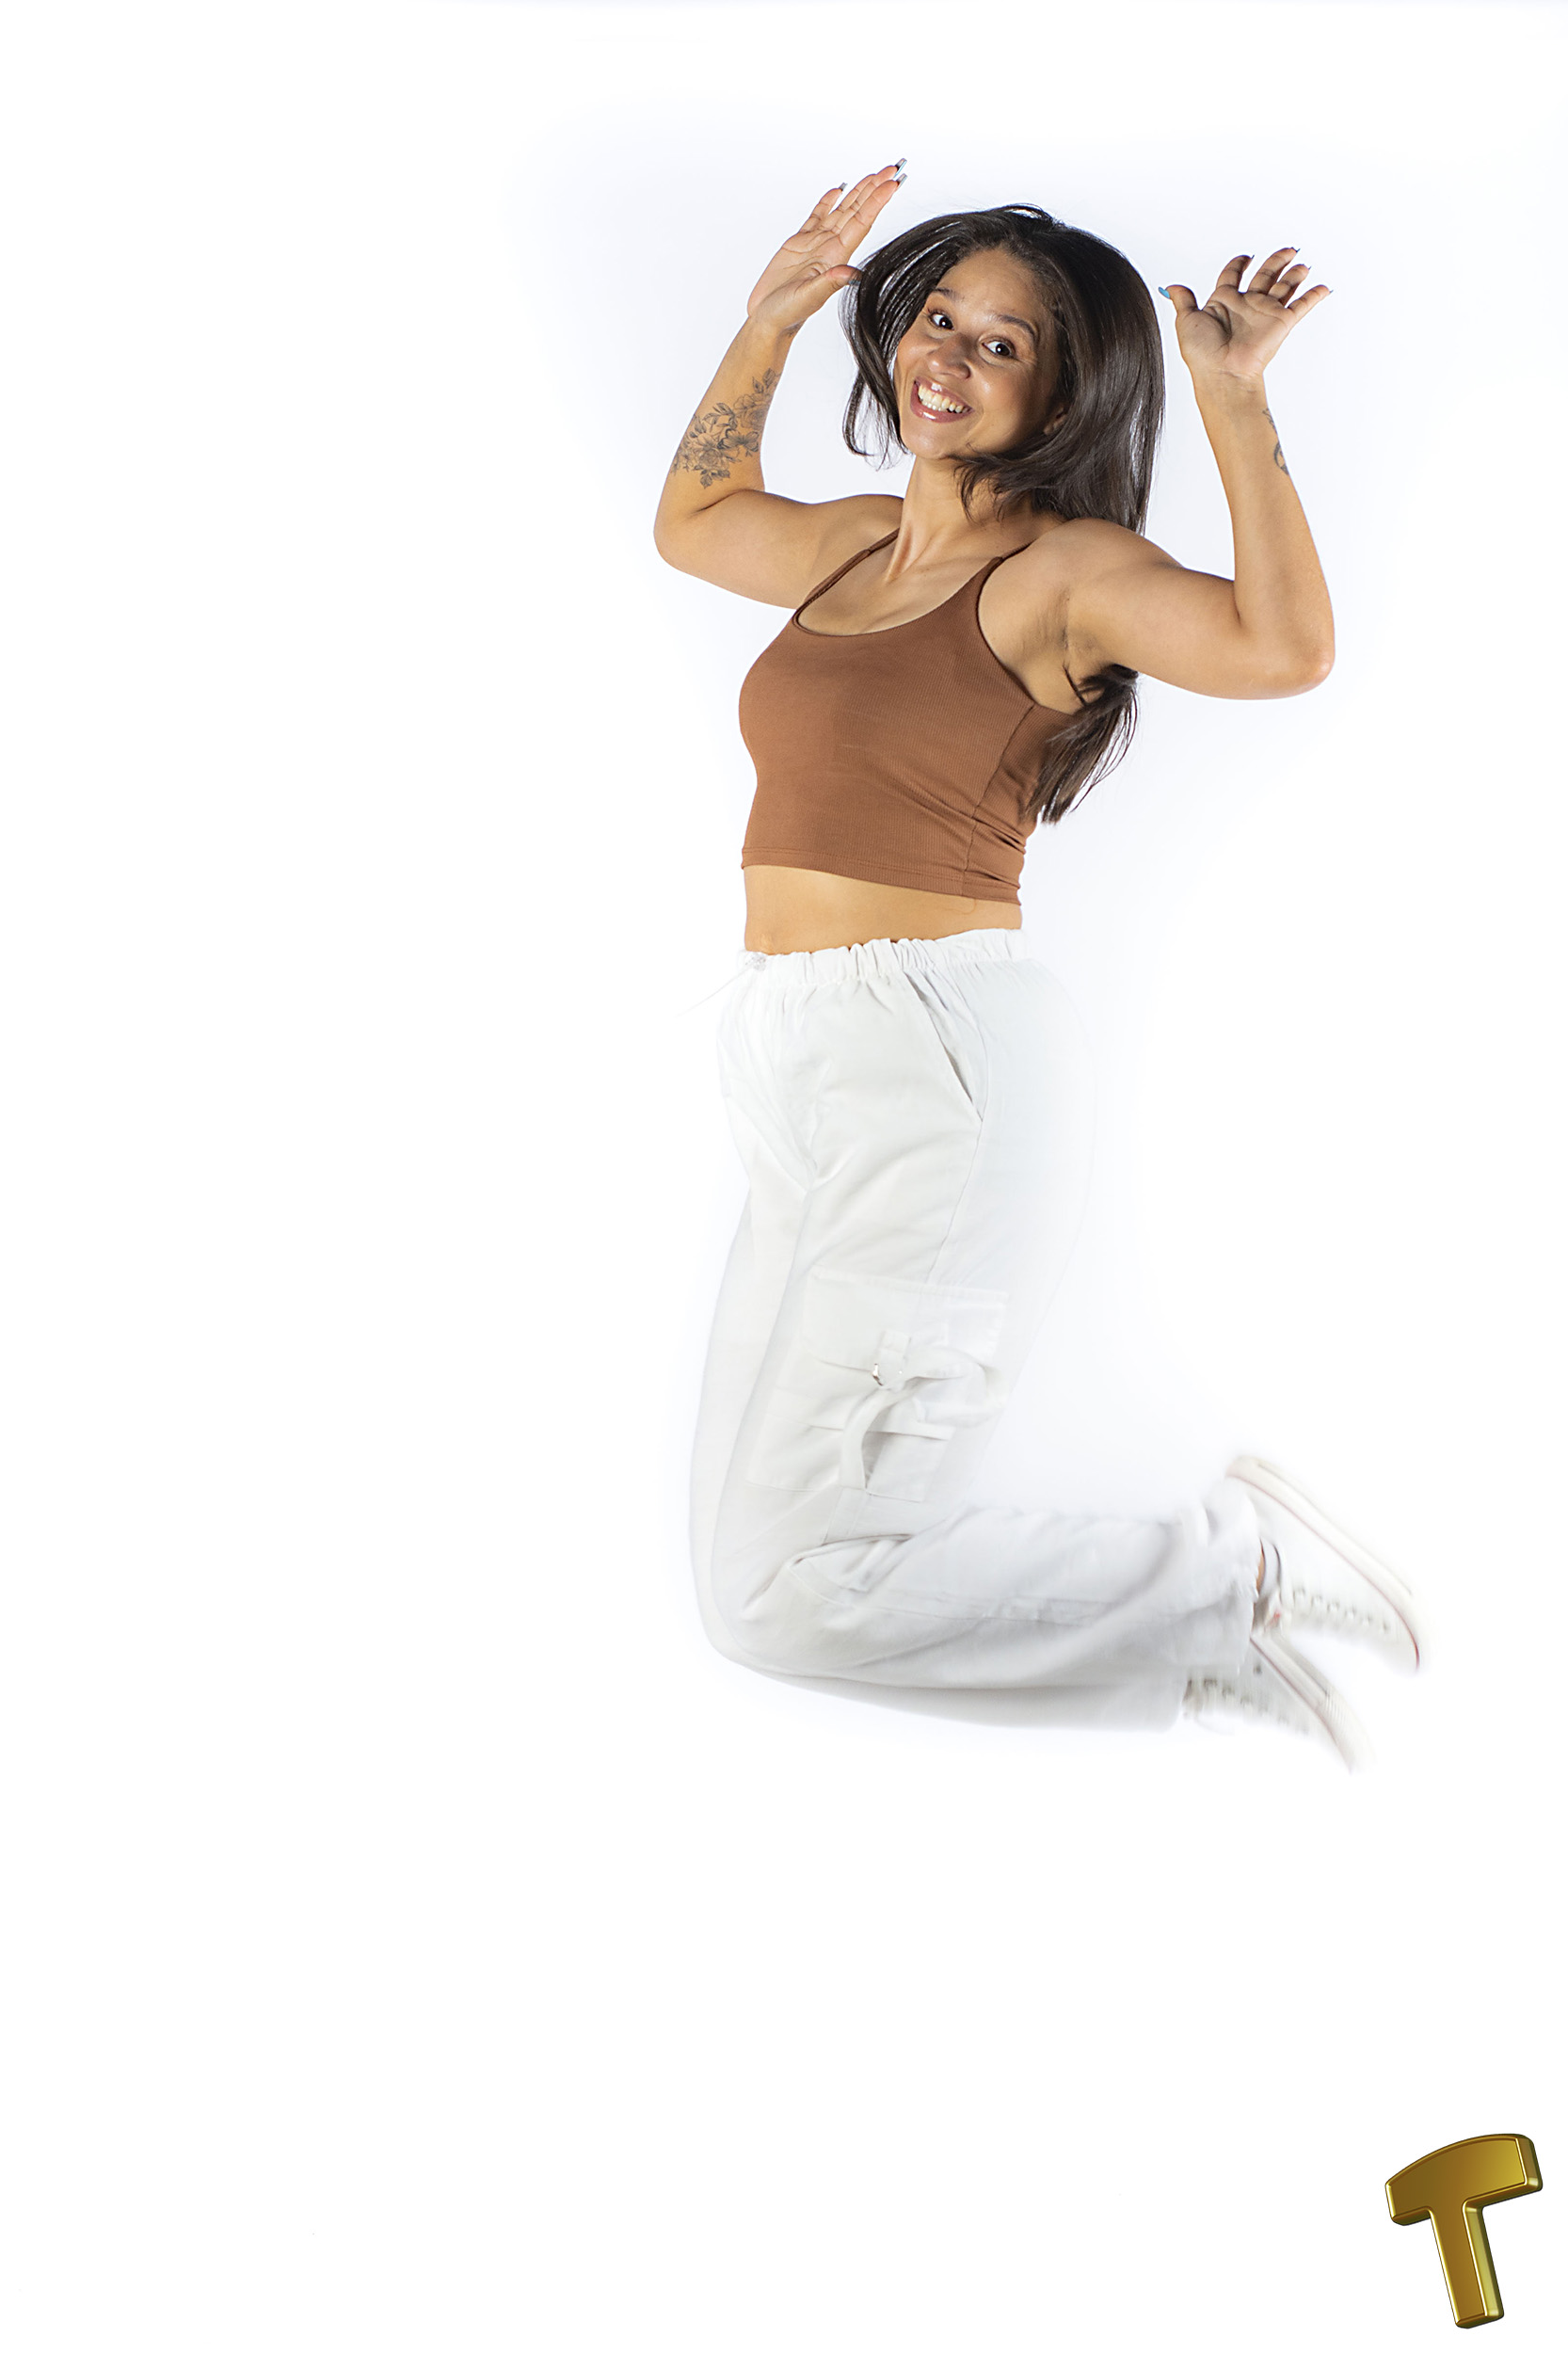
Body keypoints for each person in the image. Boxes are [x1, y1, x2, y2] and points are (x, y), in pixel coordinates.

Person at [653, 164, 1423, 1769]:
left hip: (929, 1062)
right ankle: (1195, 1636)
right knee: (746, 1591)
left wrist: (1230, 404)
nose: (944, 356)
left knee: (791, 1588)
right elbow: (695, 523)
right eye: (936, 318)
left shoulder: (1064, 574)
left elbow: (1283, 650)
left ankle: (1231, 1572)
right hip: (795, 1054)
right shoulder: (857, 549)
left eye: (998, 344)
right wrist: (770, 317)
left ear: (1062, 395)